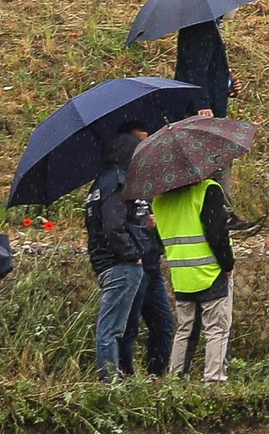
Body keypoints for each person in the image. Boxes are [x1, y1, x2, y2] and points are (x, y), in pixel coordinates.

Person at [173, 15, 257, 234]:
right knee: (217, 159)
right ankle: (221, 214)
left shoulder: (207, 26)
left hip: (207, 106)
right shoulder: (200, 28)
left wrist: (227, 84)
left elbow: (207, 69)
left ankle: (217, 212)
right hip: (201, 111)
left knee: (216, 160)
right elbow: (195, 70)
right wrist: (203, 103)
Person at [152, 176, 235, 384]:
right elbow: (216, 234)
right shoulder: (207, 190)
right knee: (217, 329)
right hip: (210, 272)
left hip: (181, 276)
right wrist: (228, 264)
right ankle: (213, 381)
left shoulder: (159, 200)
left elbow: (160, 239)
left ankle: (176, 380)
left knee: (185, 330)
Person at [86, 132, 147, 381]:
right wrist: (133, 254)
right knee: (111, 329)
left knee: (115, 328)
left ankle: (118, 379)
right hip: (119, 264)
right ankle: (110, 384)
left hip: (104, 262)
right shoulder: (118, 182)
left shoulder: (99, 183)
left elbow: (95, 225)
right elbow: (113, 226)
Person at [116, 122, 174, 379]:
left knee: (164, 326)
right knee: (129, 328)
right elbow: (113, 225)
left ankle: (156, 378)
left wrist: (155, 223)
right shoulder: (117, 181)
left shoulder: (151, 180)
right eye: (138, 142)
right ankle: (126, 380)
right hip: (132, 263)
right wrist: (140, 224)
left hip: (152, 262)